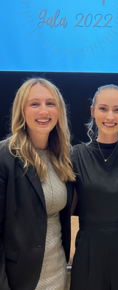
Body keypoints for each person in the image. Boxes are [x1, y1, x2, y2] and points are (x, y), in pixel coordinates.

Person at [0, 78, 75, 290]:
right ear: (21, 111)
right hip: (19, 279)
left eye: (50, 103)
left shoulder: (62, 157)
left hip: (57, 272)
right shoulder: (4, 157)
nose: (44, 111)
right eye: (34, 104)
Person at [70, 84, 118, 290]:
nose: (110, 116)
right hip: (89, 249)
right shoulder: (75, 155)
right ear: (92, 111)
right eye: (103, 108)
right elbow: (68, 208)